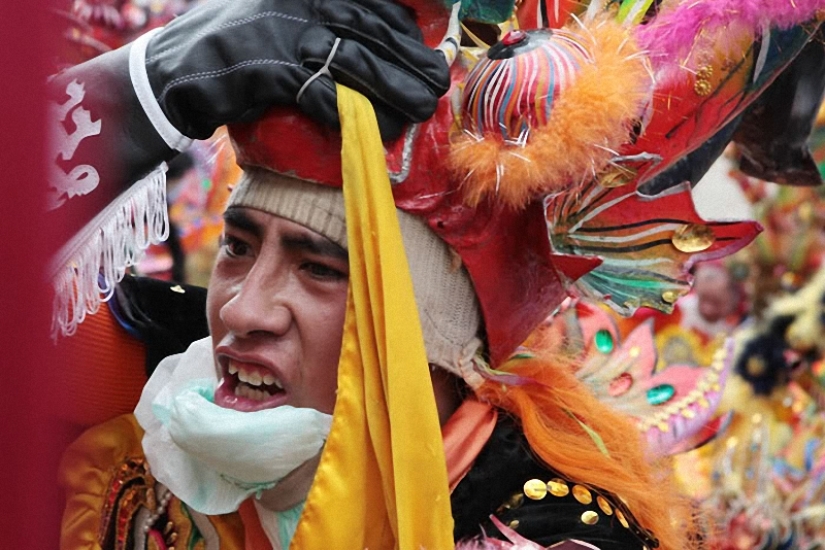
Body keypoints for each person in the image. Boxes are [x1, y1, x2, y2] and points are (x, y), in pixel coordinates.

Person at [48, 0, 825, 549]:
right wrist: (147, 87)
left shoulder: (546, 535)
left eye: (322, 270)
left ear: (431, 341)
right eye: (238, 247)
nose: (244, 312)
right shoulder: (150, 431)